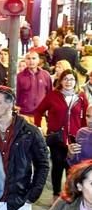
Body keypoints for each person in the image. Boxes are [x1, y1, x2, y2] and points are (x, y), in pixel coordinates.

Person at [34, 69, 88, 197]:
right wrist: (38, 127)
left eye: (71, 79)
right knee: (58, 165)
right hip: (57, 138)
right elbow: (38, 111)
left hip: (75, 139)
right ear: (61, 81)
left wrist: (85, 133)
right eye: (65, 79)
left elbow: (86, 116)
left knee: (72, 168)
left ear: (76, 81)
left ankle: (70, 194)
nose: (68, 82)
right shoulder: (53, 95)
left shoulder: (81, 97)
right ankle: (56, 194)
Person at [16, 51, 53, 123]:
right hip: (24, 114)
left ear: (38, 60)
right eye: (28, 58)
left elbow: (50, 94)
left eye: (33, 58)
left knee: (41, 134)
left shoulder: (46, 75)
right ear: (25, 60)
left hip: (41, 115)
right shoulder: (19, 76)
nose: (31, 61)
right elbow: (16, 94)